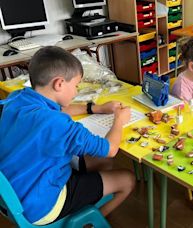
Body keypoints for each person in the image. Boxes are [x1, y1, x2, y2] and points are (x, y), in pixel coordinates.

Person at [0, 46, 135, 225]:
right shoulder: (59, 124)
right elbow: (110, 149)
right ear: (59, 83)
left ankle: (89, 198)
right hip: (41, 205)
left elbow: (61, 110)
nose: (77, 91)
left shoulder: (17, 98)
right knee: (128, 179)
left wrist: (96, 108)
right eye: (76, 85)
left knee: (102, 163)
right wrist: (119, 119)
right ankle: (89, 221)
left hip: (13, 193)